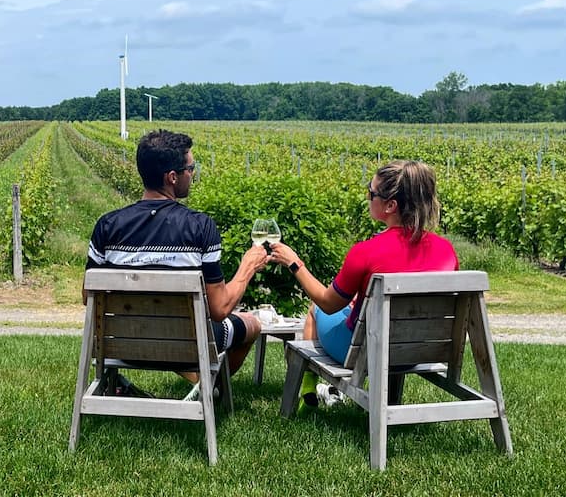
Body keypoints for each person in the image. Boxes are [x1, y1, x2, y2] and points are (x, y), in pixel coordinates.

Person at [85, 129, 269, 398]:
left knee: (160, 329)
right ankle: (210, 389)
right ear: (172, 177)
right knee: (250, 324)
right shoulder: (200, 227)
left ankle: (200, 386)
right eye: (190, 168)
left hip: (119, 344)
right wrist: (248, 267)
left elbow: (86, 297)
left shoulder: (107, 225)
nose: (192, 174)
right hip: (187, 346)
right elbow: (219, 309)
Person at [267, 159, 458, 411]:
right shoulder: (447, 251)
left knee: (315, 309)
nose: (368, 197)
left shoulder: (366, 252)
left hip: (369, 353)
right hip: (421, 352)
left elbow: (328, 302)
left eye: (371, 192)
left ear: (390, 205)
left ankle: (308, 389)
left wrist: (294, 263)